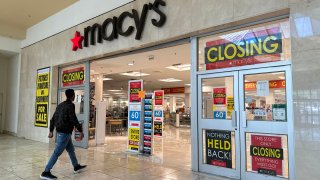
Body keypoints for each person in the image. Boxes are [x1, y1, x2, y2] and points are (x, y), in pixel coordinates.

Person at [40, 89, 87, 180]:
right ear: (73, 96)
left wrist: (51, 131)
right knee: (57, 152)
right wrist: (81, 131)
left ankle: (76, 166)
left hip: (63, 132)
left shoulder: (60, 105)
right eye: (74, 95)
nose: (74, 96)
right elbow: (73, 119)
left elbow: (53, 118)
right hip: (64, 133)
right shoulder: (70, 105)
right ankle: (46, 172)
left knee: (70, 150)